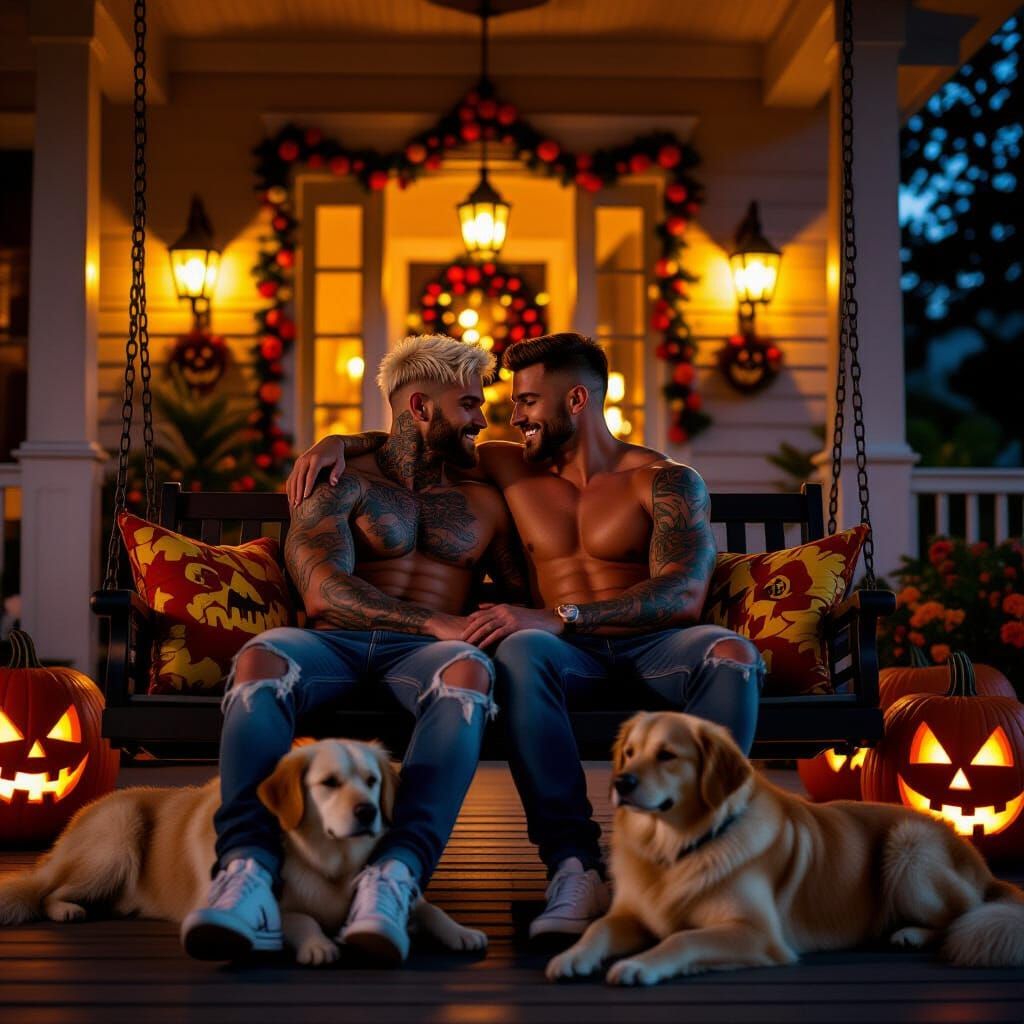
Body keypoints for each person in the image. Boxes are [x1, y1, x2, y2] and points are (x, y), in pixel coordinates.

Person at [287, 332, 764, 942]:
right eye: (510, 404)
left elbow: (683, 596)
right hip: (563, 655)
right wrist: (336, 443)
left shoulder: (665, 480)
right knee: (519, 648)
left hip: (652, 642)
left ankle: (691, 860)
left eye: (527, 402)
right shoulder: (504, 464)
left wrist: (562, 616)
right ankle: (574, 864)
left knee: (733, 653)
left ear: (576, 402)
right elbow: (416, 430)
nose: (511, 417)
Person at [182, 334, 529, 964]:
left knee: (470, 672)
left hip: (421, 659)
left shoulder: (486, 495)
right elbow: (322, 592)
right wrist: (435, 621)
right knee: (262, 658)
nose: (483, 417)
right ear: (421, 407)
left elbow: (515, 594)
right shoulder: (339, 480)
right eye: (470, 404)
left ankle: (394, 878)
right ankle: (248, 873)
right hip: (334, 645)